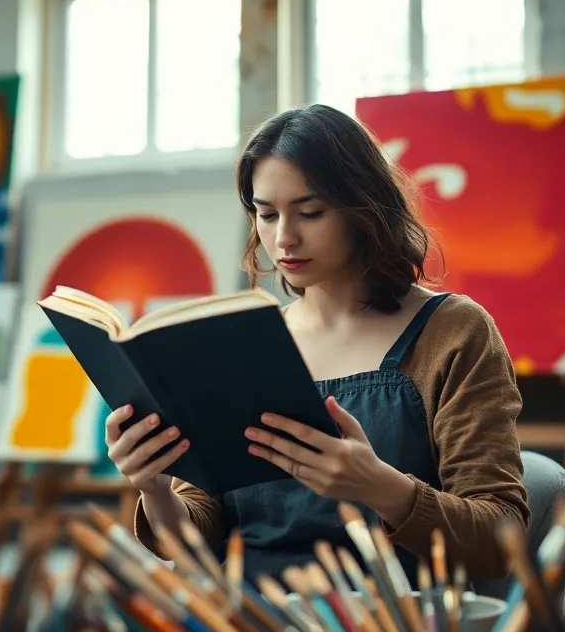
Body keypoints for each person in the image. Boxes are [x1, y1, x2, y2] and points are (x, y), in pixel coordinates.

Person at [104, 103, 528, 583]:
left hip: (392, 629)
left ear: (364, 208)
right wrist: (155, 489)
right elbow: (199, 539)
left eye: (310, 212)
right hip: (248, 627)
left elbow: (501, 539)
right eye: (265, 214)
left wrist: (382, 488)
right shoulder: (239, 346)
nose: (283, 238)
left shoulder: (453, 333)